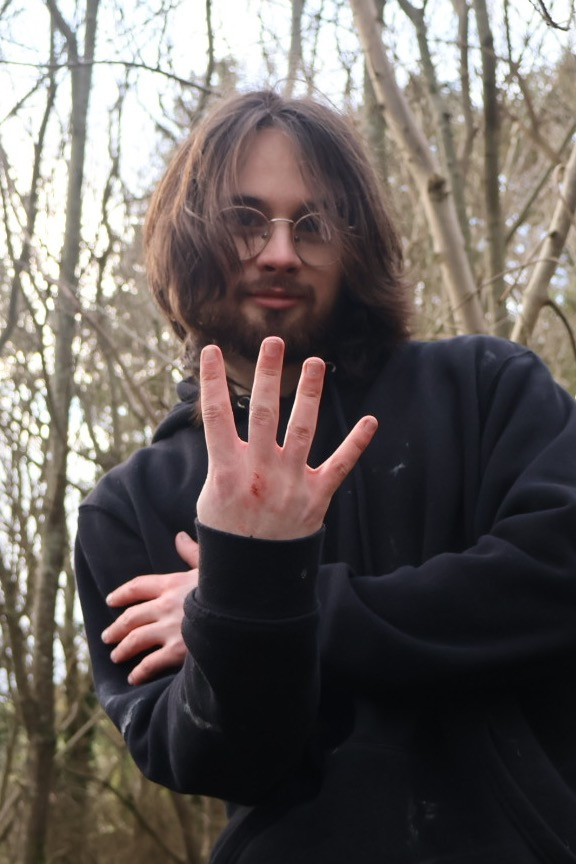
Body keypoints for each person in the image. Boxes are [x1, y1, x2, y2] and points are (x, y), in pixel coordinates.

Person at [75, 90, 576, 864]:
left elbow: (556, 579)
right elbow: (210, 757)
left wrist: (278, 602)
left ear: (357, 246)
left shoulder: (485, 389)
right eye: (245, 220)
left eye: (313, 224)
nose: (280, 252)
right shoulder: (130, 505)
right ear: (189, 239)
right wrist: (246, 607)